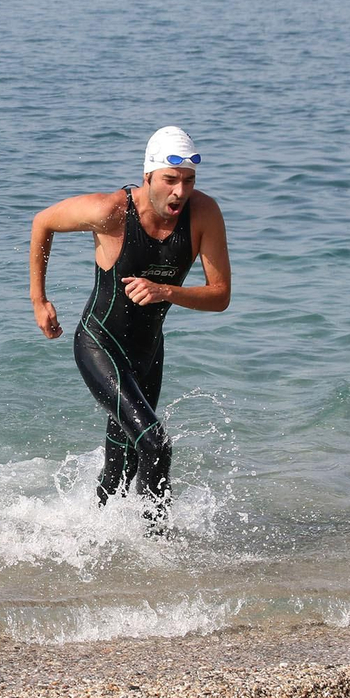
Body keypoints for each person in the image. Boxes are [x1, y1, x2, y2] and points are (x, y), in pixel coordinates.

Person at [29, 127, 231, 531]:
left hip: (147, 354)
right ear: (149, 177)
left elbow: (220, 294)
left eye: (188, 182)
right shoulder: (111, 211)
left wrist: (164, 291)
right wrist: (39, 300)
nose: (179, 193)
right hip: (98, 344)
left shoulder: (204, 214)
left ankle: (91, 542)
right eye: (170, 181)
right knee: (156, 443)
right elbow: (43, 222)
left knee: (122, 466)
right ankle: (161, 547)